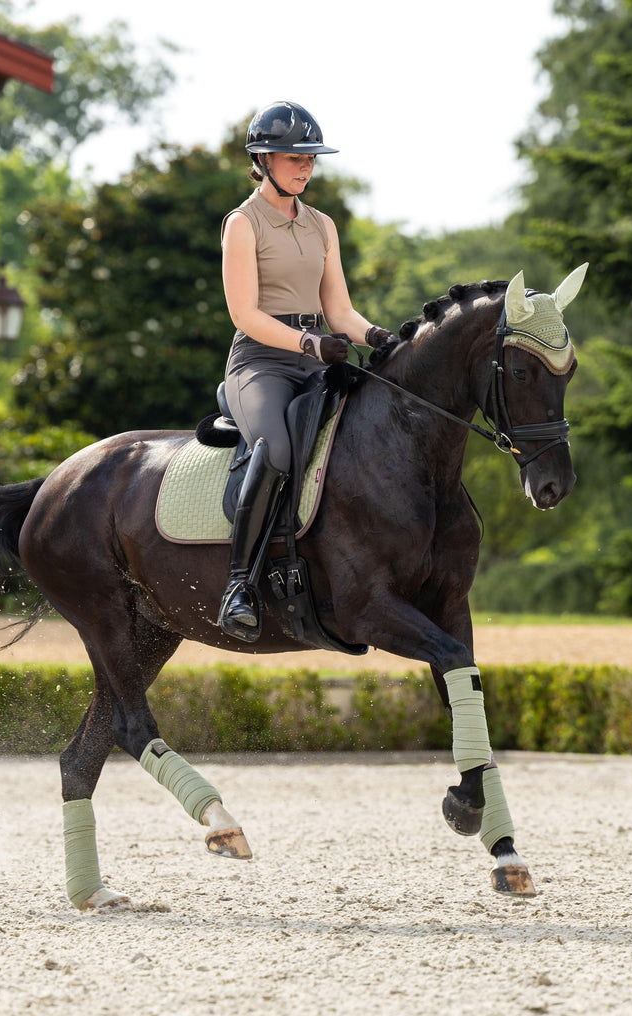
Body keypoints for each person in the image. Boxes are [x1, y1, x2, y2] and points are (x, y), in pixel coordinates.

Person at [217, 100, 397, 641]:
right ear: (263, 159)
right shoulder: (242, 224)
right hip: (260, 361)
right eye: (294, 157)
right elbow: (244, 313)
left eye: (310, 159)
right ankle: (238, 585)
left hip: (314, 355)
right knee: (275, 449)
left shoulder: (322, 225)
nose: (305, 167)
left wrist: (378, 335)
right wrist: (308, 342)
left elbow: (339, 311)